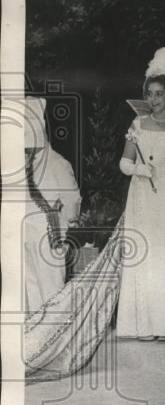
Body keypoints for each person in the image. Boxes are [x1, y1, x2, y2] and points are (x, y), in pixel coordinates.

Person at [116, 47, 165, 341]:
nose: (153, 99)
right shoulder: (137, 125)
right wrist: (138, 170)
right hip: (144, 199)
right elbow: (124, 162)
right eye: (150, 94)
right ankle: (145, 324)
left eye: (159, 94)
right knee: (148, 255)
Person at [18, 95, 81, 314]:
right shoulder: (21, 165)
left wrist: (67, 226)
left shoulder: (57, 163)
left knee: (51, 289)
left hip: (49, 235)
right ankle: (37, 337)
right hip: (25, 233)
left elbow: (72, 199)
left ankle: (56, 336)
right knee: (30, 288)